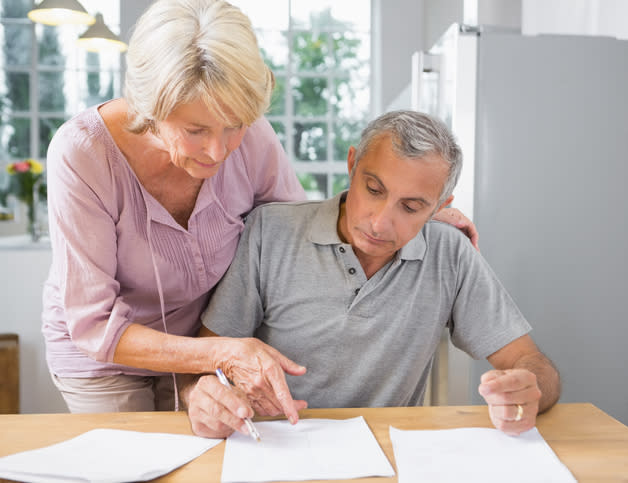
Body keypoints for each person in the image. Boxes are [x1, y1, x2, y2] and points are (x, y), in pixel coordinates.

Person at [41, 0, 477, 414]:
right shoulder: (83, 155)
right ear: (150, 106)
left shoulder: (251, 137)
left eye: (233, 126)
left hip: (209, 345)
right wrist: (224, 352)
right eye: (196, 129)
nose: (218, 150)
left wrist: (410, 213)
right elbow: (94, 325)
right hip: (109, 359)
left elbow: (299, 233)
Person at [181, 110, 561, 439]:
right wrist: (205, 398)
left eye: (411, 207)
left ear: (440, 207)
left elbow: (532, 363)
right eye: (373, 189)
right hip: (272, 447)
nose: (380, 223)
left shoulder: (451, 254)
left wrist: (530, 389)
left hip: (390, 458)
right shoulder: (270, 231)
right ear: (352, 164)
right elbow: (205, 362)